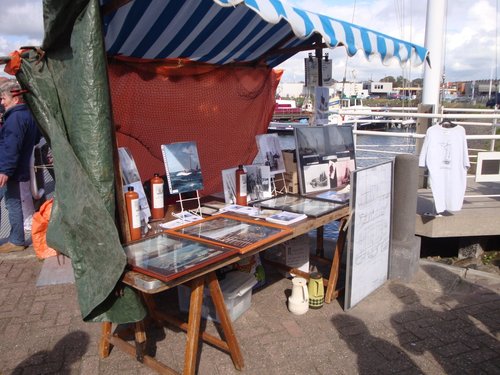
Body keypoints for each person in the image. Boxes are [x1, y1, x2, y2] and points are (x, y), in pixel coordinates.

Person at [0, 80, 41, 253]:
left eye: (3, 98)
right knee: (13, 202)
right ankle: (16, 239)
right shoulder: (27, 115)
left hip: (9, 169)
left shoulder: (14, 118)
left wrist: (4, 170)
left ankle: (16, 240)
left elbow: (11, 146)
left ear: (15, 99)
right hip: (19, 167)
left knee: (12, 203)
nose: (2, 102)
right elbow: (36, 138)